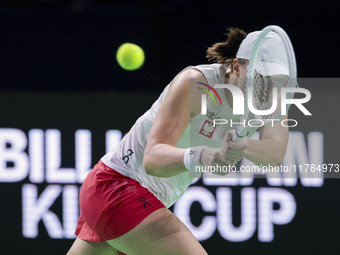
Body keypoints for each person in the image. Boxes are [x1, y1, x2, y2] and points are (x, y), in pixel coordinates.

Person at [67, 27, 289, 255]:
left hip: (146, 201)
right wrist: (203, 155)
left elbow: (274, 154)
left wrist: (244, 146)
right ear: (235, 67)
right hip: (118, 186)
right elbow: (152, 159)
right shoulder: (197, 84)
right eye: (258, 79)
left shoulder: (270, 97)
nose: (263, 90)